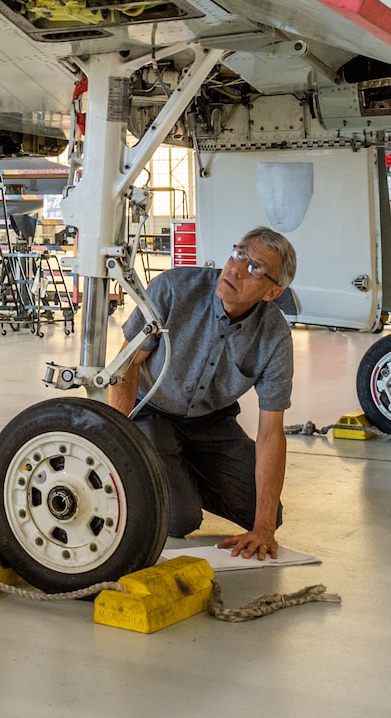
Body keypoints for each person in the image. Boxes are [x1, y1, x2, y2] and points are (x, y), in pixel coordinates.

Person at [108, 227, 297, 560]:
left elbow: (271, 433)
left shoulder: (274, 336)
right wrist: (116, 445)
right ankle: (161, 473)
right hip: (151, 408)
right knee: (179, 518)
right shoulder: (173, 289)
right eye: (238, 253)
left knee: (267, 512)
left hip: (212, 423)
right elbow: (126, 367)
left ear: (272, 292)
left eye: (254, 267)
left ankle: (173, 470)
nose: (236, 268)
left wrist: (264, 529)